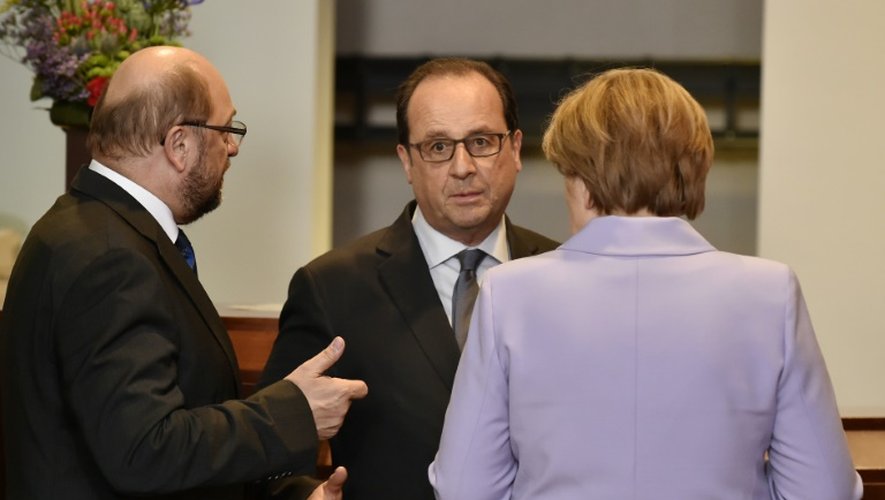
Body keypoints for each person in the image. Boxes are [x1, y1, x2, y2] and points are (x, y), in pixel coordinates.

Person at [429, 68, 863, 500]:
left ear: (580, 180)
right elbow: (824, 490)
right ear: (692, 169)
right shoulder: (770, 294)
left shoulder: (509, 294)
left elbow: (466, 487)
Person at [0, 46, 368, 500]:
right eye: (227, 128)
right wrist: (294, 412)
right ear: (178, 144)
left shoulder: (87, 227)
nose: (232, 147)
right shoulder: (111, 257)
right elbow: (143, 451)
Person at [258, 57, 558, 498]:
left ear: (514, 149)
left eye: (480, 141)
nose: (462, 166)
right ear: (406, 161)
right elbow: (267, 457)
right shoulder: (332, 287)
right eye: (438, 147)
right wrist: (303, 495)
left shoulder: (561, 274)